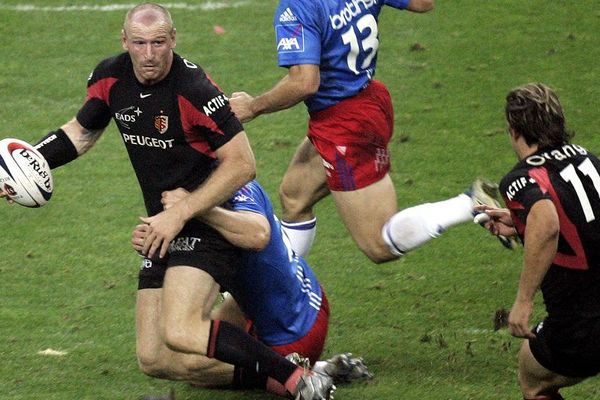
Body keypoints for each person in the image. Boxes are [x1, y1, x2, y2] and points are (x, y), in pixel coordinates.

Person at [1, 3, 333, 399]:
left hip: (206, 215)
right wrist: (22, 167)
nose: (149, 54)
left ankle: (299, 381)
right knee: (155, 359)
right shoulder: (110, 77)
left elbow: (243, 164)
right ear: (124, 42)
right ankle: (300, 373)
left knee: (180, 330)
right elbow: (81, 132)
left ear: (172, 40)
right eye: (139, 43)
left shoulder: (194, 90)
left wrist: (184, 210)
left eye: (158, 43)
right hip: (164, 221)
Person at [230, 0, 510, 263]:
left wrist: (253, 106)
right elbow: (424, 3)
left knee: (378, 244)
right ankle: (279, 290)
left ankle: (468, 203)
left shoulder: (299, 6)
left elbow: (304, 83)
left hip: (344, 127)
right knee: (295, 196)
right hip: (369, 101)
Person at [132, 180, 373, 391]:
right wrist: (158, 237)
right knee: (198, 340)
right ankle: (317, 367)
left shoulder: (230, 194)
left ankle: (293, 374)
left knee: (187, 363)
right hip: (306, 298)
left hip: (294, 333)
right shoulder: (229, 181)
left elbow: (257, 234)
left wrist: (192, 209)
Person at [478, 83, 600, 400]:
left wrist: (523, 301)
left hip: (582, 330)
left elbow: (547, 224)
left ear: (514, 130)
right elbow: (579, 216)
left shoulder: (519, 179)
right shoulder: (588, 159)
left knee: (532, 377)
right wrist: (521, 223)